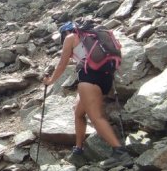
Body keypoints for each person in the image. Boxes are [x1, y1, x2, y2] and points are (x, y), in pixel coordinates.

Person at [42, 21, 133, 169]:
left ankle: (120, 153)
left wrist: (50, 81)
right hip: (106, 78)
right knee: (78, 112)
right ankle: (78, 149)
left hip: (89, 77)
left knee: (96, 117)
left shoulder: (70, 37)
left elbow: (62, 63)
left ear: (66, 32)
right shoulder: (95, 37)